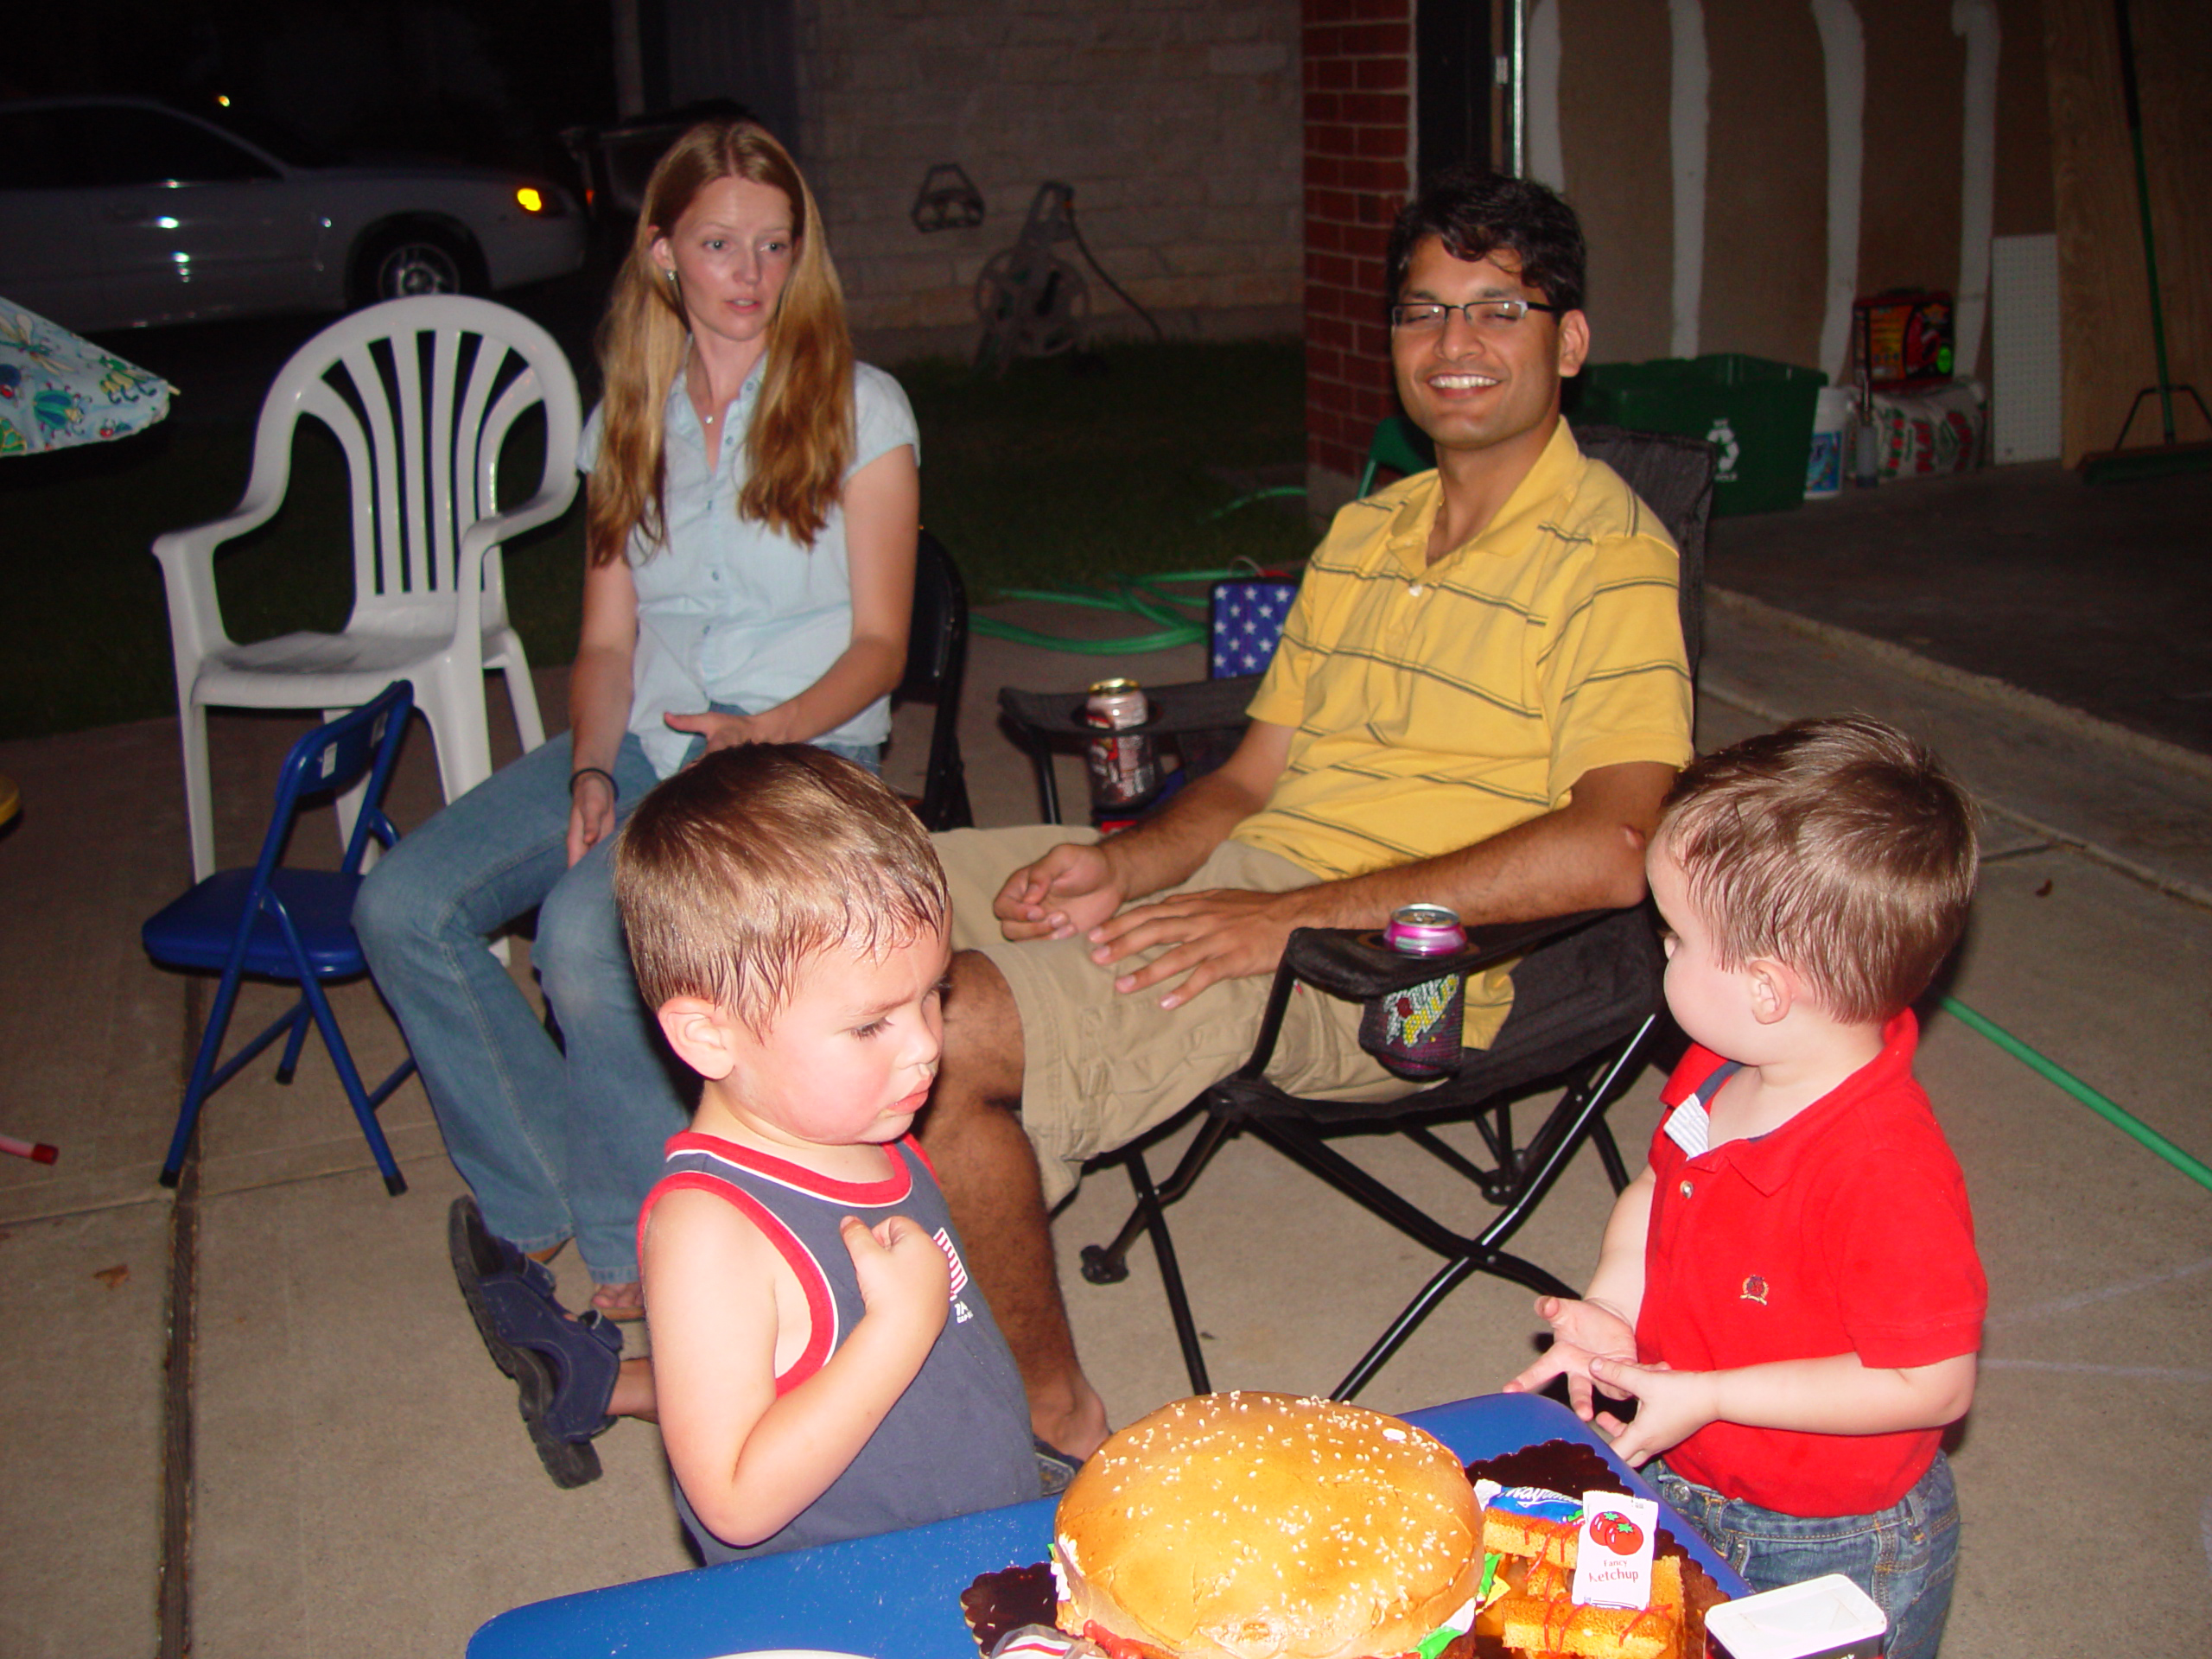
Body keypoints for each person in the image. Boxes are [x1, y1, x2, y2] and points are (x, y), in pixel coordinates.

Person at [917, 167, 1695, 1472]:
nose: (1454, 346)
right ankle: (839, 1273)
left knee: (942, 1030)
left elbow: (1619, 847)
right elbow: (1243, 782)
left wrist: (1281, 920)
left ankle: (1045, 1417)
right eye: (1424, 311)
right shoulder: (1368, 530)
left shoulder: (1611, 558)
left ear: (1569, 342)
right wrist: (1122, 865)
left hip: (1403, 968)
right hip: (1257, 882)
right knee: (822, 910)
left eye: (1498, 310)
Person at [355, 119, 920, 1323]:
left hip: (803, 747)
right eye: (719, 243)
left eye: (775, 245)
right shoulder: (629, 412)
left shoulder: (861, 408)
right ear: (663, 253)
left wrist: (765, 728)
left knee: (585, 935)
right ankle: (542, 1185)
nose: (751, 274)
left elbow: (882, 650)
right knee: (401, 904)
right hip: (657, 742)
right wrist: (594, 773)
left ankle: (630, 1237)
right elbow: (607, 640)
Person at [456, 747, 1039, 1535]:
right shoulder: (712, 1233)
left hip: (973, 1531)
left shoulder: (866, 1121)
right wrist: (898, 1330)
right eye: (871, 1023)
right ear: (708, 1036)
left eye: (932, 995)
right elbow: (731, 1499)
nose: (926, 1045)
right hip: (851, 1604)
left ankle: (582, 1379)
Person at [1503, 716, 1986, 1659]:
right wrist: (1613, 1307)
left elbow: (1928, 1383)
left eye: (1675, 938)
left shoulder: (1884, 1169)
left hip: (1829, 1536)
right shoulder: (1719, 1069)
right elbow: (1655, 1188)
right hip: (1692, 1468)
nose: (1662, 955)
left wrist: (1716, 1396)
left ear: (1767, 988)